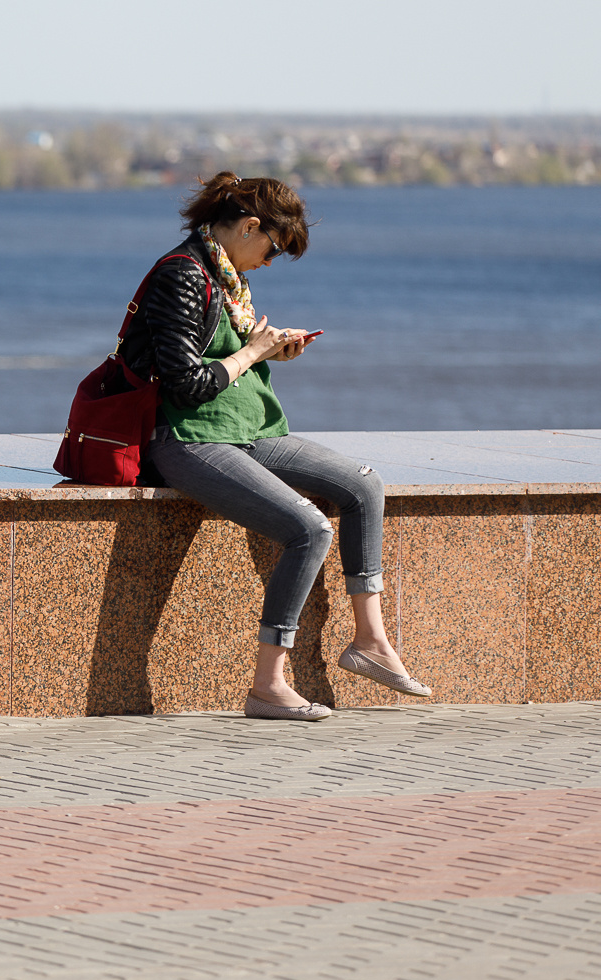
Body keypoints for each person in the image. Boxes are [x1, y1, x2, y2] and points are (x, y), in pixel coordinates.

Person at [118, 172, 432, 721]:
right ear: (249, 226)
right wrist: (253, 353)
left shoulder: (228, 275)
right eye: (272, 248)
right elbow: (186, 384)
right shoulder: (182, 276)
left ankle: (371, 642)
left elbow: (227, 357)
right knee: (309, 528)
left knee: (363, 484)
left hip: (247, 429)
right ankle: (268, 684)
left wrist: (271, 349)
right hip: (188, 438)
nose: (270, 261)